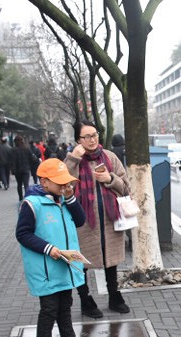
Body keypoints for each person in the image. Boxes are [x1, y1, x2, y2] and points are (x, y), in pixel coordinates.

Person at [16, 158, 96, 337]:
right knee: (49, 309)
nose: (65, 186)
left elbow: (80, 221)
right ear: (44, 182)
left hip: (64, 266)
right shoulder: (32, 204)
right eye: (60, 182)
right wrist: (47, 248)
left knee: (65, 305)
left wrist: (70, 198)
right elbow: (22, 234)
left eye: (67, 182)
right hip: (46, 268)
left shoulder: (63, 199)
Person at [65, 120, 131, 318]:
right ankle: (86, 300)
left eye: (94, 135)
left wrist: (110, 179)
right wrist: (73, 160)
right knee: (81, 262)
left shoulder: (110, 157)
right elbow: (63, 185)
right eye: (87, 136)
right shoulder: (73, 160)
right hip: (83, 221)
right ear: (79, 139)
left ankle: (114, 296)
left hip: (110, 220)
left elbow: (126, 186)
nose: (92, 140)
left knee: (110, 260)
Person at [11, 136, 37, 201]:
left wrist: (13, 169)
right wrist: (30, 165)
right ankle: (27, 197)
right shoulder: (27, 148)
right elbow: (32, 158)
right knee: (26, 184)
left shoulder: (14, 150)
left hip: (18, 170)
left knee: (19, 184)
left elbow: (13, 160)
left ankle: (20, 197)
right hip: (26, 169)